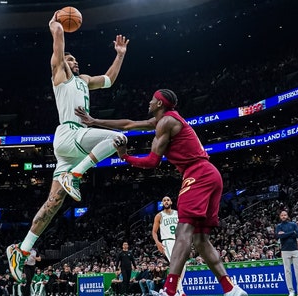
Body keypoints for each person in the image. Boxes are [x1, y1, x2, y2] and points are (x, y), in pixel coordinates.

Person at [76, 88, 247, 296]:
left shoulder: (166, 122)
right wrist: (94, 121)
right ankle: (231, 289)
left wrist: (125, 157)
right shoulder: (164, 121)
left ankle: (170, 290)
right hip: (211, 175)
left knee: (182, 233)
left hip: (197, 174)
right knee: (201, 240)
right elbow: (128, 124)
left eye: (152, 99)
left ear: (159, 104)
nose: (149, 102)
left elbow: (152, 162)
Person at [6, 11, 130, 283]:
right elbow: (59, 42)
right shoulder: (59, 73)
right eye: (70, 59)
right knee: (120, 138)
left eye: (75, 60)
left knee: (53, 203)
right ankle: (74, 175)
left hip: (74, 144)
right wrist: (55, 26)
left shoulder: (84, 81)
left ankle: (22, 249)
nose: (74, 62)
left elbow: (109, 79)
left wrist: (119, 54)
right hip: (69, 133)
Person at [152, 196, 186, 296]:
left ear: (171, 202)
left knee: (184, 266)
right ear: (162, 203)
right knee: (176, 264)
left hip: (179, 241)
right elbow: (154, 232)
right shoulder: (159, 215)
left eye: (168, 200)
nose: (166, 202)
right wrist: (157, 243)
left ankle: (170, 289)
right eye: (164, 200)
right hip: (167, 241)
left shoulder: (178, 213)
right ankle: (180, 291)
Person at [276, 210, 298, 296]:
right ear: (280, 216)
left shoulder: (293, 224)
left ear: (287, 216)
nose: (283, 216)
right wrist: (291, 233)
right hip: (285, 250)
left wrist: (285, 234)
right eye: (282, 215)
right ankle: (291, 291)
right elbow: (279, 236)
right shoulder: (279, 226)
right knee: (287, 271)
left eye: (285, 215)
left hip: (295, 249)